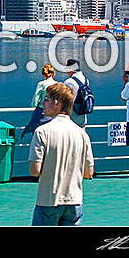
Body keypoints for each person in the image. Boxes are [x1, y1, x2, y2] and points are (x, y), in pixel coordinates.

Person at [29, 83, 94, 226]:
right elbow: (88, 173)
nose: (42, 103)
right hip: (74, 200)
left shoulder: (42, 132)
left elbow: (35, 170)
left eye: (46, 99)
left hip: (48, 200)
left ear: (57, 103)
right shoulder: (82, 134)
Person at [21, 63, 58, 139]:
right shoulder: (57, 84)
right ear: (53, 74)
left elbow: (34, 102)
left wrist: (36, 105)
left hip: (42, 112)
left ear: (44, 74)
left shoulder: (41, 84)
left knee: (37, 134)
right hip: (53, 113)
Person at [61, 59, 89, 128]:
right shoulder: (86, 80)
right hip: (82, 110)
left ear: (71, 71)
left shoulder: (69, 82)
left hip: (72, 111)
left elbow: (64, 97)